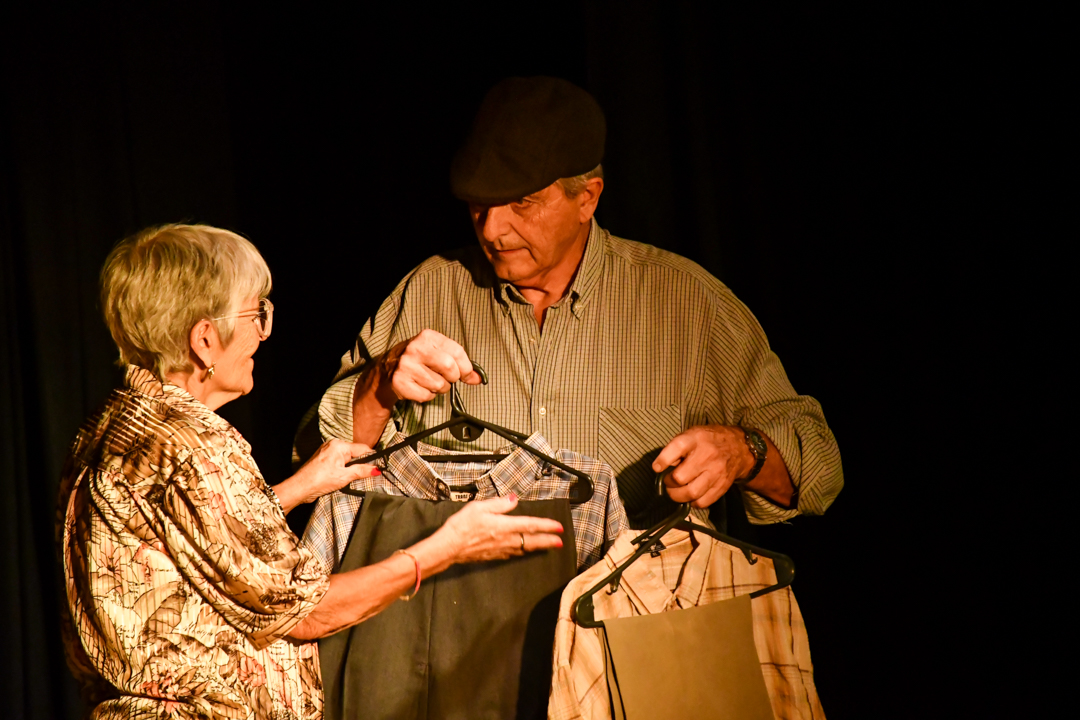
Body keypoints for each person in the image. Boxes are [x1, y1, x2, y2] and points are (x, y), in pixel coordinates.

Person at [55, 224, 564, 719]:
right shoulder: (196, 449)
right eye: (256, 314)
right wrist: (446, 548)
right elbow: (309, 613)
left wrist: (301, 487)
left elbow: (193, 546)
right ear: (205, 340)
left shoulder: (113, 426)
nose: (263, 332)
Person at [302, 75, 843, 535]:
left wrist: (744, 451)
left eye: (522, 204)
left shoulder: (688, 305)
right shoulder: (430, 291)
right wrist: (379, 385)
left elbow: (819, 471)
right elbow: (314, 462)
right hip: (459, 614)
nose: (492, 230)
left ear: (587, 198)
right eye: (478, 206)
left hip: (628, 616)